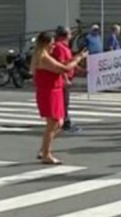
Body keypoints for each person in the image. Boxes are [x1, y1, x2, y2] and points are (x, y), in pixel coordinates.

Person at [32, 31, 87, 165]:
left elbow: (62, 65)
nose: (53, 47)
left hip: (55, 90)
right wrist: (78, 57)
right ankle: (46, 154)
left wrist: (75, 58)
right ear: (44, 44)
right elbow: (64, 68)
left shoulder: (46, 55)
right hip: (48, 91)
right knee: (53, 123)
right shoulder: (43, 57)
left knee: (60, 123)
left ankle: (44, 148)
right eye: (51, 45)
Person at [51, 26, 77, 132]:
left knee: (65, 101)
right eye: (70, 33)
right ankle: (65, 122)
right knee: (64, 101)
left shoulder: (65, 46)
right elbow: (61, 65)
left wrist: (82, 70)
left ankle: (63, 121)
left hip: (67, 78)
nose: (71, 35)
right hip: (62, 79)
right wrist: (66, 79)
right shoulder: (59, 47)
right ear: (65, 36)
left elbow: (69, 61)